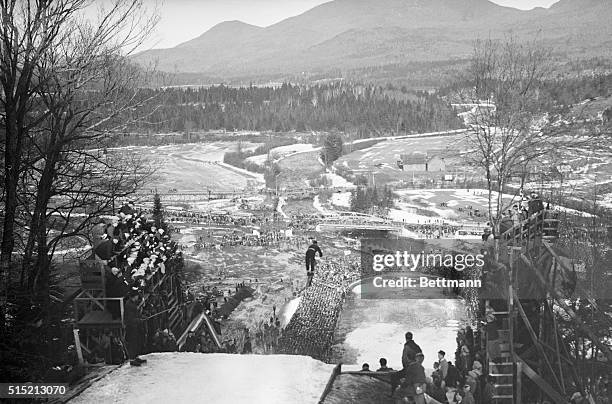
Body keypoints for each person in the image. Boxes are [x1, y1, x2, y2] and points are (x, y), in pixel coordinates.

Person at [124, 290, 147, 366]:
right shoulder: (129, 305)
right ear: (134, 296)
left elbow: (136, 315)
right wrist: (139, 320)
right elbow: (130, 319)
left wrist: (142, 317)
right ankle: (132, 359)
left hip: (135, 327)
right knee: (132, 343)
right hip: (131, 328)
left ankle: (136, 357)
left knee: (137, 342)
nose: (138, 297)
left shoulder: (132, 304)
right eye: (137, 295)